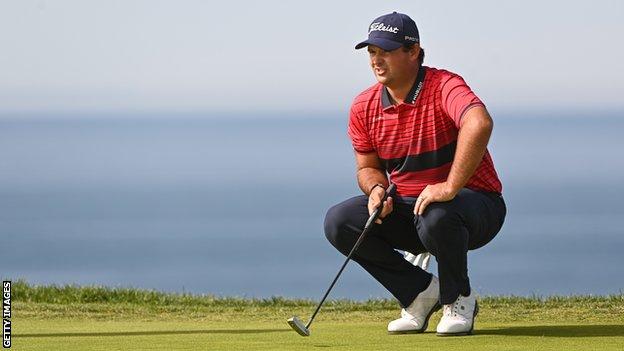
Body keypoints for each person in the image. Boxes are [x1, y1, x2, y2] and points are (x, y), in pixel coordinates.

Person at [323, 11, 506, 336]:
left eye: (387, 51)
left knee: (436, 213)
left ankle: (458, 298)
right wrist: (377, 190)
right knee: (340, 222)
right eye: (372, 52)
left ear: (414, 52)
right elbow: (368, 168)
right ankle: (419, 294)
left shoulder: (444, 86)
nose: (377, 60)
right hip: (412, 209)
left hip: (475, 206)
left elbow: (479, 123)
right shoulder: (364, 107)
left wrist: (449, 186)